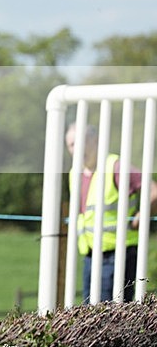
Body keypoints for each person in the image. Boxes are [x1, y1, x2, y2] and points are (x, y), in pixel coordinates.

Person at [65, 123, 157, 302]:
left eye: (82, 141)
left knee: (111, 320)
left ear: (95, 140)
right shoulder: (74, 173)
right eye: (71, 145)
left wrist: (142, 214)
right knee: (88, 316)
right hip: (91, 254)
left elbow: (153, 190)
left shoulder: (114, 166)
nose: (77, 149)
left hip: (118, 255)